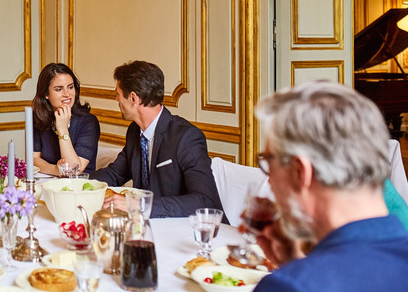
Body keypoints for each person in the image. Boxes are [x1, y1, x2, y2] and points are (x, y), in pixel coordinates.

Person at [250, 81, 408, 291]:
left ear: (300, 171)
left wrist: (294, 274)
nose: (269, 180)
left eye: (268, 162)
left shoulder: (291, 285)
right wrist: (296, 264)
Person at [91, 61, 224, 219]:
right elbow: (114, 174)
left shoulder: (187, 137)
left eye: (118, 94)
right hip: (148, 228)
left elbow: (205, 201)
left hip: (191, 232)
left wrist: (140, 205)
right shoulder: (135, 131)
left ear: (133, 98)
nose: (116, 99)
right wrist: (72, 183)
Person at [31, 63, 100, 175]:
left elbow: (74, 170)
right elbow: (33, 159)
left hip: (80, 187)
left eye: (70, 87)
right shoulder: (38, 117)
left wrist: (62, 129)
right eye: (59, 89)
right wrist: (56, 170)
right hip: (49, 183)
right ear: (45, 93)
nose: (67, 94)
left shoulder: (89, 122)